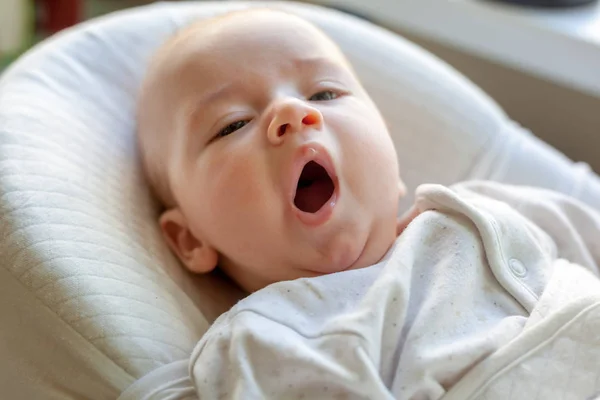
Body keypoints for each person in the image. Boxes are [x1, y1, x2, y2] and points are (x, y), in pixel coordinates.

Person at [137, 8, 600, 399]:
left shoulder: (481, 210)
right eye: (233, 124)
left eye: (324, 94)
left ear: (392, 164)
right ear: (189, 238)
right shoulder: (269, 340)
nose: (293, 113)